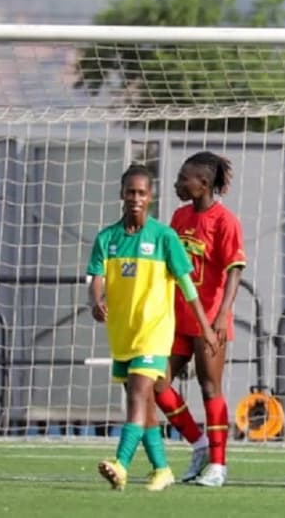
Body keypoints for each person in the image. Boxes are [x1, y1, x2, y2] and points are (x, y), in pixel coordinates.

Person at [89, 164, 218, 492]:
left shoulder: (164, 237)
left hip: (155, 333)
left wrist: (205, 326)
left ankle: (121, 463)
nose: (136, 198)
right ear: (122, 194)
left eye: (142, 193)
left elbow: (188, 285)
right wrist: (97, 298)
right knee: (145, 405)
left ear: (151, 197)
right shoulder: (107, 238)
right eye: (131, 192)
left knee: (137, 394)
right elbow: (96, 276)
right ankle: (162, 469)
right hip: (123, 333)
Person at [152, 152, 247, 487]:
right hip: (176, 318)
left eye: (183, 178)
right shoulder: (179, 217)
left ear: (203, 183)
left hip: (209, 319)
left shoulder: (225, 221)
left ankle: (219, 465)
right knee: (156, 382)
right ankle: (200, 444)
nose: (178, 183)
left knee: (210, 387)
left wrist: (222, 315)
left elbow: (235, 269)